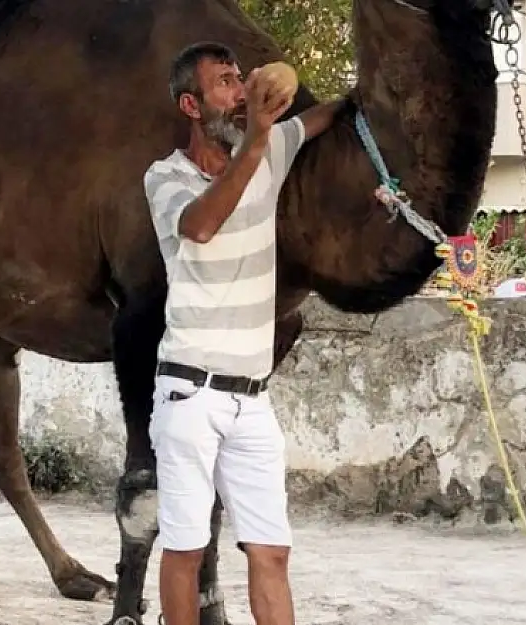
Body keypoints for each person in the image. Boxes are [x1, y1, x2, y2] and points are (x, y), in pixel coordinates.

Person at [141, 41, 346, 625]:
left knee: (272, 551)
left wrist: (355, 93)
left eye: (241, 79)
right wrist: (257, 136)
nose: (238, 92)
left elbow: (328, 114)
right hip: (189, 393)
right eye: (224, 84)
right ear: (190, 104)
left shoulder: (271, 148)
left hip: (252, 398)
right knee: (186, 549)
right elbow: (202, 226)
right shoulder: (166, 178)